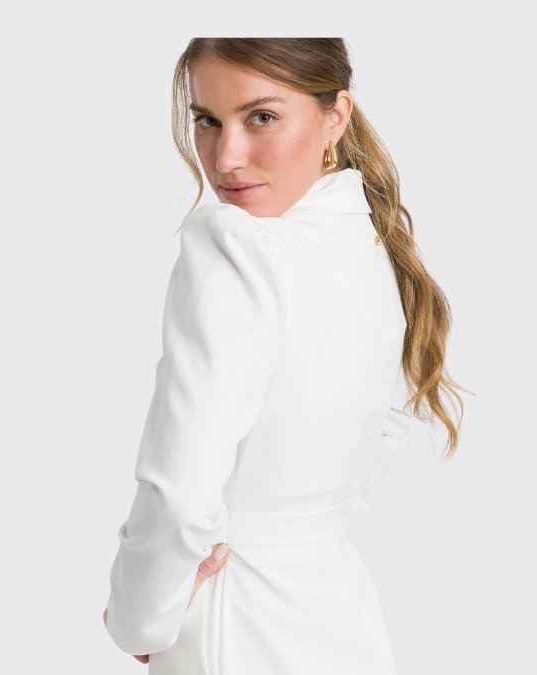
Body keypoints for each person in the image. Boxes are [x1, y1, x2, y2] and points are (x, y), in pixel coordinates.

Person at [103, 38, 465, 674]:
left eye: (261, 117)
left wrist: (140, 616)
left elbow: (179, 488)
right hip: (339, 619)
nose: (226, 157)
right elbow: (385, 432)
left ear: (336, 116)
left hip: (232, 627)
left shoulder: (234, 249)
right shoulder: (373, 249)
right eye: (207, 121)